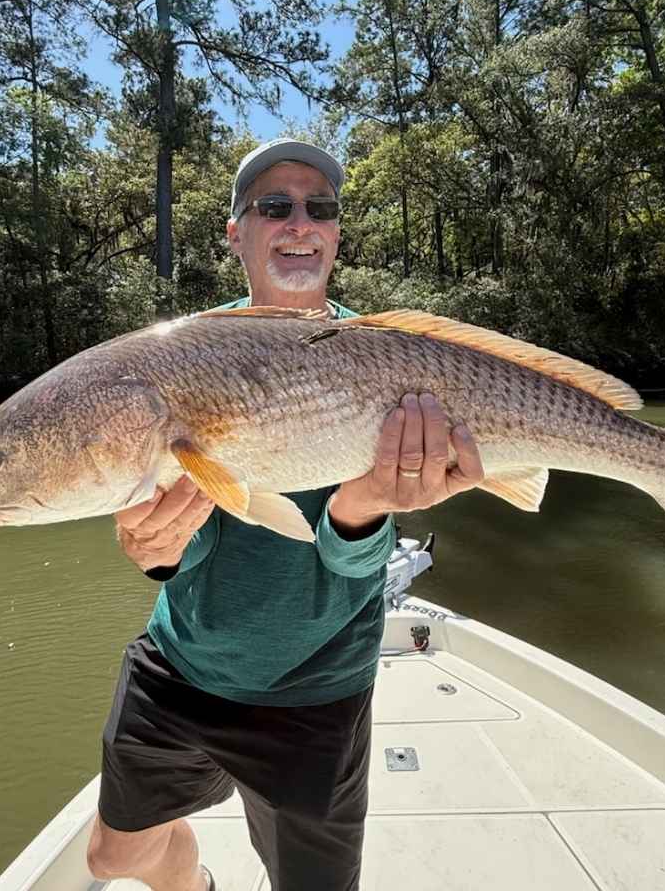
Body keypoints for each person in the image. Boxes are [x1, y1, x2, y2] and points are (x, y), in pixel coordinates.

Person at [85, 138, 485, 891]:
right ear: (237, 233)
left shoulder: (395, 356)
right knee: (113, 858)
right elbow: (184, 551)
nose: (300, 222)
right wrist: (159, 548)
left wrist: (366, 505)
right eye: (274, 206)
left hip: (317, 689)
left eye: (319, 207)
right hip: (184, 668)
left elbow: (350, 567)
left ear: (334, 232)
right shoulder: (180, 359)